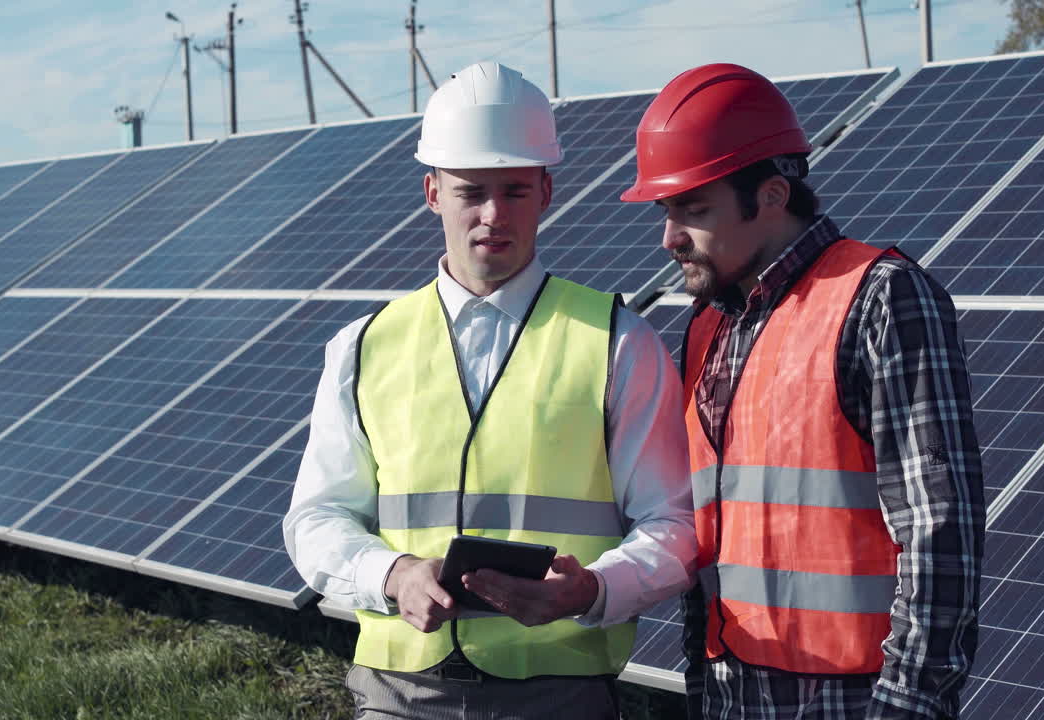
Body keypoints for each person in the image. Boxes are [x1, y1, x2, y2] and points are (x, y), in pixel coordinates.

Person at [283, 61, 696, 720]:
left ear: (548, 192)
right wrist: (388, 576)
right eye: (471, 191)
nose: (493, 215)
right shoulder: (364, 348)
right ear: (431, 192)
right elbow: (316, 519)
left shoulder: (619, 342)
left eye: (515, 190)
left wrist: (592, 590)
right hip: (398, 692)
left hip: (558, 690)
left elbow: (674, 524)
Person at [619, 63, 985, 719]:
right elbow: (714, 545)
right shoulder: (707, 325)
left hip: (856, 700)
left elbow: (939, 533)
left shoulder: (881, 299)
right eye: (667, 211)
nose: (670, 238)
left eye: (694, 210)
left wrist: (907, 705)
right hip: (735, 693)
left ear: (772, 195)